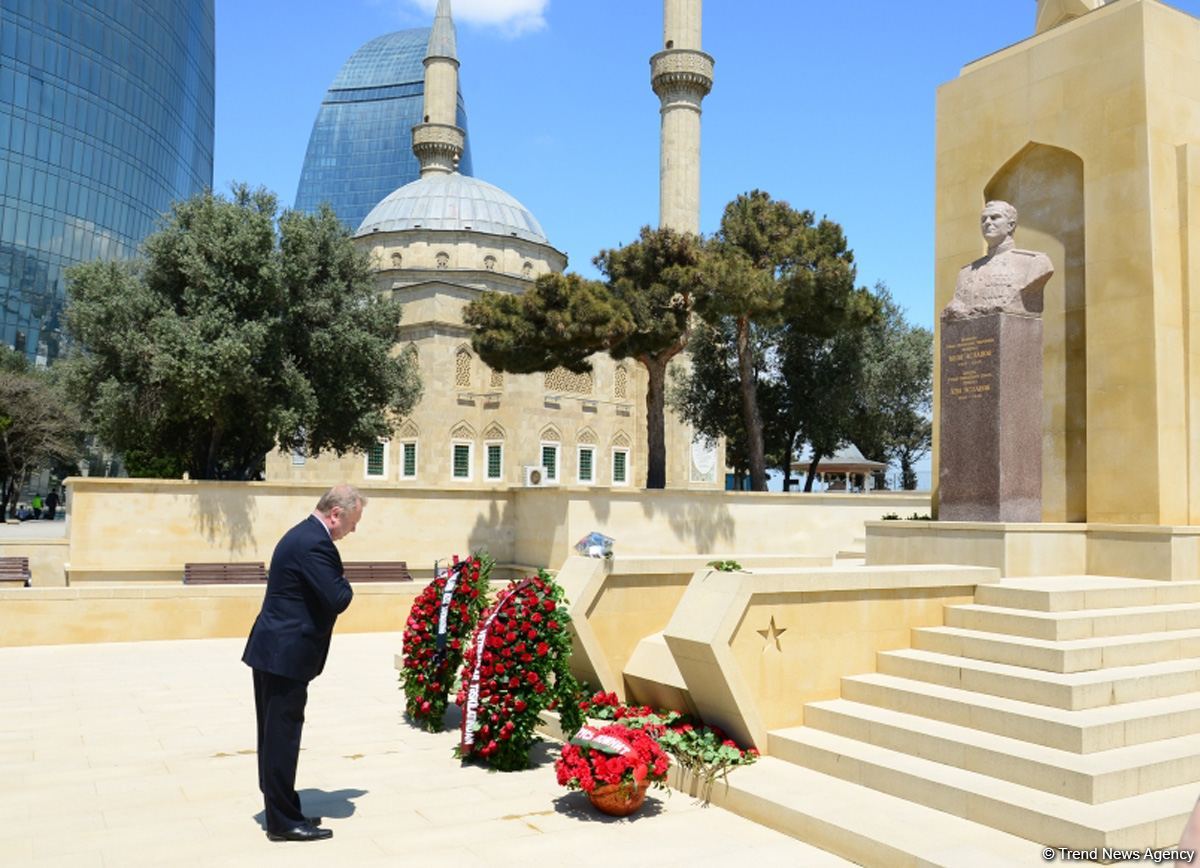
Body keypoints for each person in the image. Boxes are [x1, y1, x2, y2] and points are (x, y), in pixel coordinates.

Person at [242, 484, 363, 842]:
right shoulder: (315, 543)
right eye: (353, 522)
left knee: (273, 735)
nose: (353, 530)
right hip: (285, 655)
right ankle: (282, 822)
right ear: (336, 513)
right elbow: (339, 597)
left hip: (275, 650)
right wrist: (343, 580)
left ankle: (282, 807)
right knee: (282, 736)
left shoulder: (302, 534)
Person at [941, 200, 1054, 321]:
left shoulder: (1034, 263)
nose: (987, 222)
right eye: (983, 220)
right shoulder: (966, 272)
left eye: (994, 217)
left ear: (1010, 225)